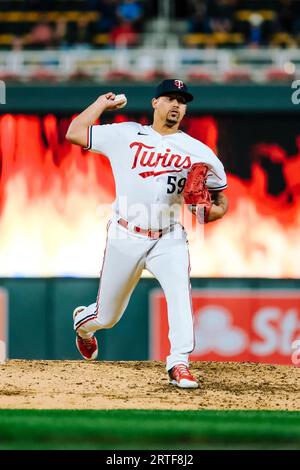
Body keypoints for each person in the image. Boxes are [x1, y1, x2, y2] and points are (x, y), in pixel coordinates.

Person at [66, 79, 228, 389]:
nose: (176, 105)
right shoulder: (125, 134)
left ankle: (179, 363)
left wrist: (210, 213)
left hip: (169, 237)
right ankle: (83, 326)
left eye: (182, 100)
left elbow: (221, 199)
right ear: (155, 103)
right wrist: (101, 104)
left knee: (180, 293)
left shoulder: (199, 151)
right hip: (126, 234)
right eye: (169, 98)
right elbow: (74, 132)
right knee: (106, 317)